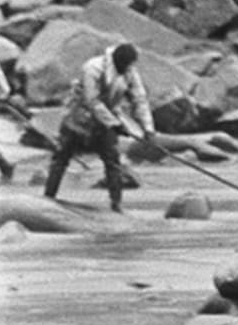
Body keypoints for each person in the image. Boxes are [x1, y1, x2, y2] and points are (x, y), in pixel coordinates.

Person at [42, 43, 156, 212]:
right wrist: (114, 124)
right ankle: (48, 198)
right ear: (117, 61)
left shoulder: (130, 72)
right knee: (61, 158)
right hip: (79, 118)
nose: (129, 69)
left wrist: (148, 128)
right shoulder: (93, 68)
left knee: (113, 162)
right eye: (125, 65)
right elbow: (92, 100)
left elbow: (139, 99)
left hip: (106, 121)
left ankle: (116, 205)